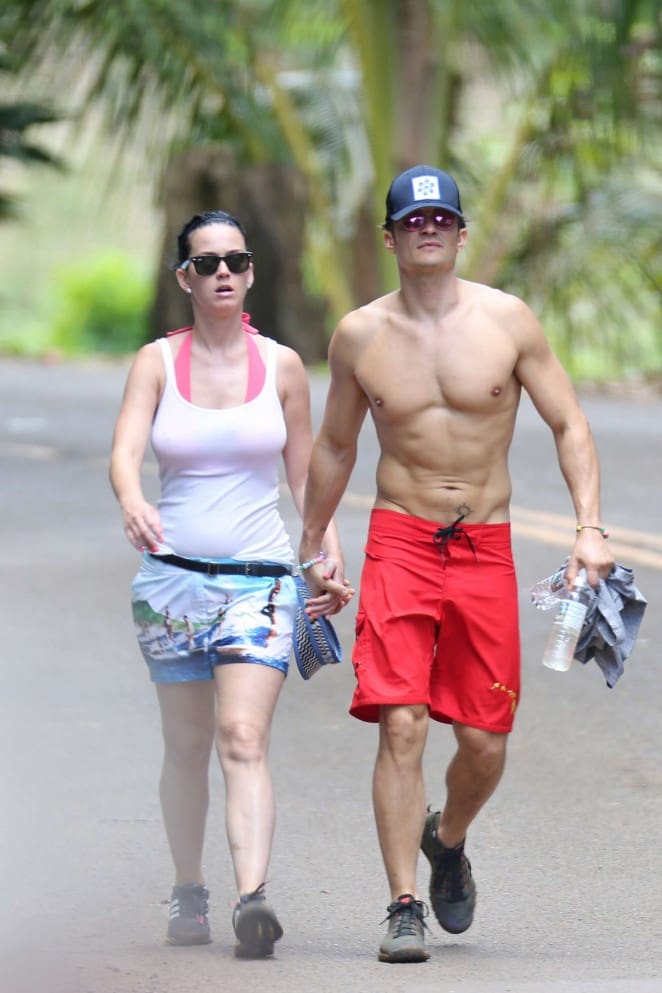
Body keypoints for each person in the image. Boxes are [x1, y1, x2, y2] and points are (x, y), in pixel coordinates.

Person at [298, 165, 614, 963]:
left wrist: (589, 527)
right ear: (391, 237)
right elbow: (336, 443)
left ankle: (448, 835)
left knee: (483, 739)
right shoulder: (361, 334)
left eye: (441, 218)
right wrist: (313, 541)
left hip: (484, 545)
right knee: (400, 720)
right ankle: (403, 903)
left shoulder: (507, 322)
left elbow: (569, 423)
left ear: (462, 231)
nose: (427, 229)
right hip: (401, 539)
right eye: (412, 220)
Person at [110, 210, 347, 958]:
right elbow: (123, 453)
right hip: (170, 585)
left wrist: (325, 555)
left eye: (235, 262)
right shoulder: (155, 362)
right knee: (186, 744)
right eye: (206, 262)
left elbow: (308, 473)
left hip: (259, 583)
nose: (222, 273)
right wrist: (132, 498)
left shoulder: (280, 366)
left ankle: (253, 897)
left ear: (249, 275)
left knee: (243, 736)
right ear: (184, 276)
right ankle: (190, 887)